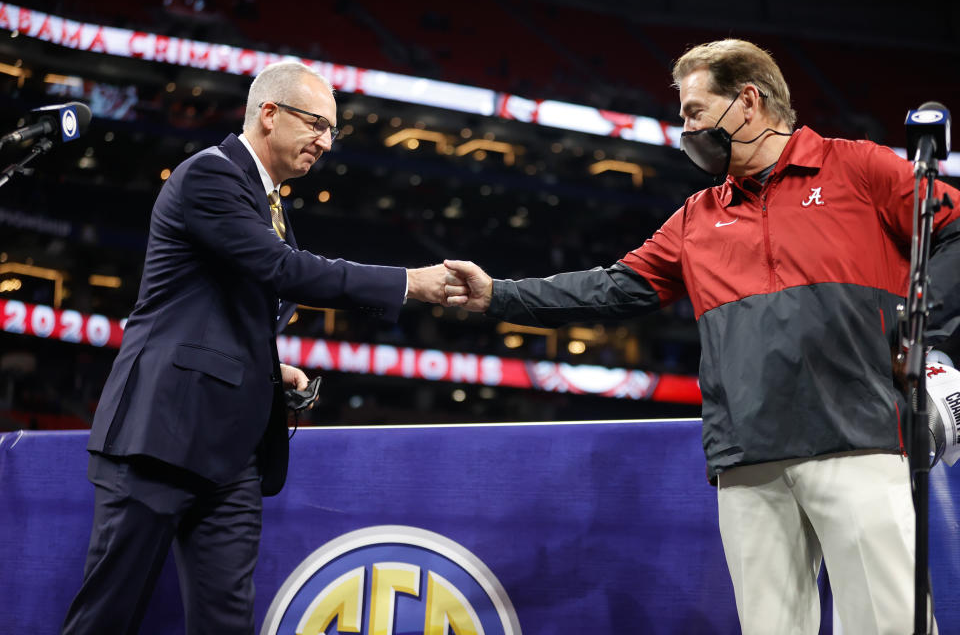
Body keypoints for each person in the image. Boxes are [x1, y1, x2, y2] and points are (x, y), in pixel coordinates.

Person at [443, 39, 960, 635]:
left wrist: (920, 330)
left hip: (860, 436)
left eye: (693, 111)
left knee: (888, 626)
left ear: (747, 102)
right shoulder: (696, 217)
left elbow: (951, 228)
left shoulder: (858, 167)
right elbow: (612, 289)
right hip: (748, 457)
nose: (684, 128)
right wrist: (497, 295)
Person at [61, 61, 448, 634]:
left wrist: (270, 367)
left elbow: (227, 310)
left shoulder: (272, 205)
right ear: (269, 113)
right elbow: (281, 269)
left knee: (227, 624)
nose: (325, 141)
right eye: (317, 123)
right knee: (107, 618)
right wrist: (407, 282)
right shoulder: (208, 177)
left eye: (332, 132)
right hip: (160, 438)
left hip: (233, 453)